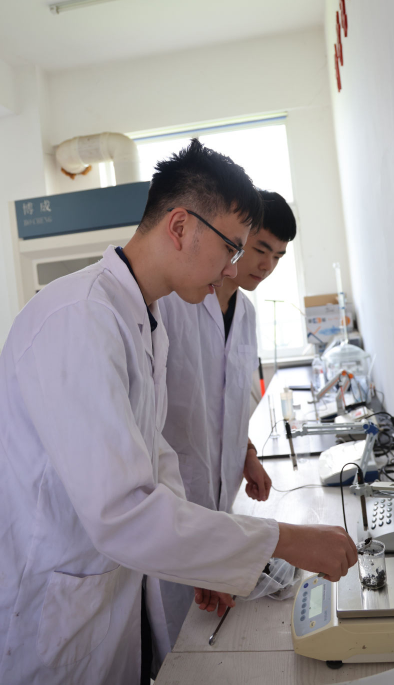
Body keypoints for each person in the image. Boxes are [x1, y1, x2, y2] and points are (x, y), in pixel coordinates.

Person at [0, 140, 357, 685]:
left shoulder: (143, 321)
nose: (235, 267)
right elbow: (125, 512)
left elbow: (157, 459)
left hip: (110, 598)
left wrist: (206, 560)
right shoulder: (79, 319)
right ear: (181, 226)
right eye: (232, 248)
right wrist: (286, 540)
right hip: (55, 614)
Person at [158, 190, 297, 644]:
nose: (267, 265)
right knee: (175, 636)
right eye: (260, 249)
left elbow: (229, 403)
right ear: (236, 239)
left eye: (278, 257)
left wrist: (247, 453)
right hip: (173, 502)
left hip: (221, 497)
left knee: (217, 633)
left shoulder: (248, 314)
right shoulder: (173, 305)